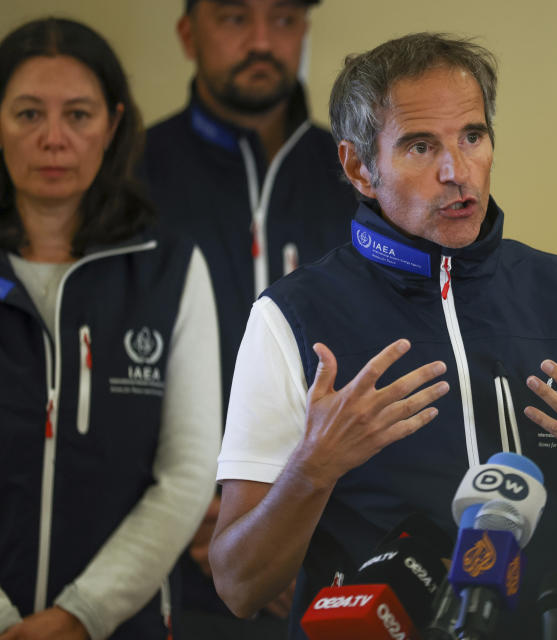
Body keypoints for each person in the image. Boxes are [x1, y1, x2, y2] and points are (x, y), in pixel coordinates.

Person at [210, 32, 557, 638]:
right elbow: (240, 587)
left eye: (472, 137)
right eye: (421, 146)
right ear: (358, 168)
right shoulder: (290, 316)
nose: (457, 172)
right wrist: (312, 470)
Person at [139, 0, 356, 635]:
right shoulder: (131, 176)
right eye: (235, 17)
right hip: (174, 560)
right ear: (188, 32)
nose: (263, 40)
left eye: (284, 19)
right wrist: (192, 514)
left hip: (341, 558)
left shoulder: (360, 175)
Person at [0, 17, 220, 640]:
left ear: (113, 125)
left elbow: (187, 472)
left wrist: (80, 617)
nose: (53, 139)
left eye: (77, 114)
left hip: (123, 626)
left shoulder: (169, 269)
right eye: (26, 114)